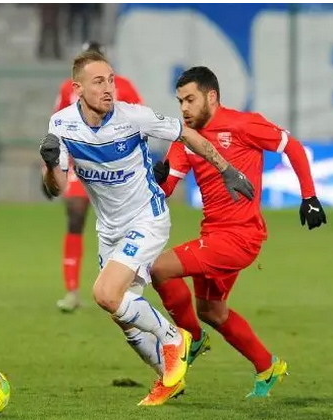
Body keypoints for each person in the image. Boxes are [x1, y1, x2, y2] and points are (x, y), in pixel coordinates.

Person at [39, 53, 254, 393]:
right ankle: (170, 378)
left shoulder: (133, 117)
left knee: (105, 294)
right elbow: (57, 187)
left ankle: (174, 338)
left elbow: (187, 135)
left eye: (111, 80)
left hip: (147, 218)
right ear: (77, 88)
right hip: (109, 229)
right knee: (121, 315)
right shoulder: (62, 125)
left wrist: (226, 169)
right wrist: (51, 164)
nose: (109, 88)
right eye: (99, 82)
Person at [137, 66, 327, 405]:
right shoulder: (185, 137)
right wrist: (157, 178)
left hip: (240, 237)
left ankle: (191, 340)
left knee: (159, 269)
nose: (184, 108)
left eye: (190, 99)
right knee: (212, 311)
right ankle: (267, 366)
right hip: (212, 234)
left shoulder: (243, 124)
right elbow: (166, 189)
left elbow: (293, 147)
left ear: (211, 96)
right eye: (180, 101)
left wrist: (309, 196)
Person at [50, 41, 144, 313]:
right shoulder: (68, 88)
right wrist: (51, 166)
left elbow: (142, 122)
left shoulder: (124, 87)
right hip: (82, 165)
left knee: (125, 227)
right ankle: (71, 291)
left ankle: (126, 287)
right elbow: (57, 125)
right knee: (75, 216)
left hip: (117, 168)